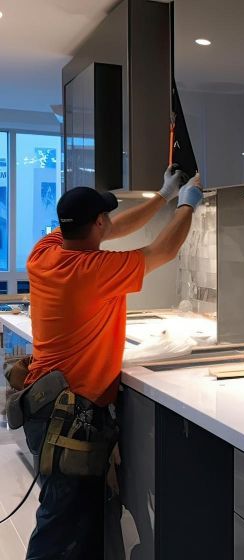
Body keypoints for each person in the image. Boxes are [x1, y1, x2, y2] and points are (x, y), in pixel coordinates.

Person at [20, 165, 202, 559]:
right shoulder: (95, 271)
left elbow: (114, 228)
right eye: (104, 219)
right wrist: (189, 203)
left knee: (78, 520)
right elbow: (164, 250)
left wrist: (163, 195)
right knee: (60, 525)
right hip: (71, 416)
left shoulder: (45, 252)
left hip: (48, 406)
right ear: (96, 223)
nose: (109, 225)